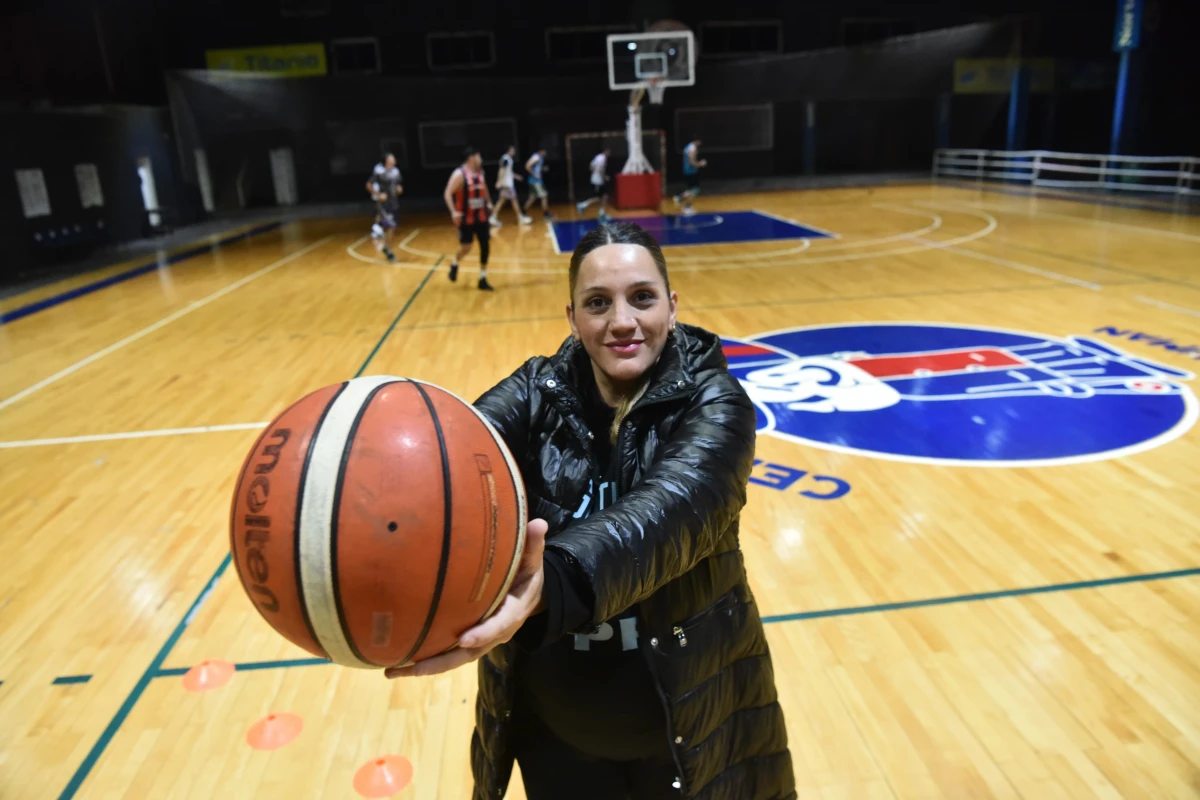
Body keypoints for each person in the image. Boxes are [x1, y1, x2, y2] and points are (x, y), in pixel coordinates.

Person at [386, 221, 795, 800]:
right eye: (598, 303)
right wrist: (385, 493)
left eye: (642, 298)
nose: (622, 322)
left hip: (685, 733)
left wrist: (547, 583)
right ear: (572, 317)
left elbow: (667, 514)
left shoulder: (716, 403)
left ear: (672, 306)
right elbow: (455, 453)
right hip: (555, 739)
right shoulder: (535, 391)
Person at [444, 146, 496, 291]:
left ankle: (482, 278)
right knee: (466, 246)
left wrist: (489, 202)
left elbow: (484, 187)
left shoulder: (480, 172)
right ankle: (455, 263)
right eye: (479, 156)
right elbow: (447, 193)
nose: (481, 159)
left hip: (481, 216)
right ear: (471, 157)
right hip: (466, 217)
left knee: (485, 245)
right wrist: (453, 212)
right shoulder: (459, 174)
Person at [365, 153, 403, 262]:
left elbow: (398, 186)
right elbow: (368, 184)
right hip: (384, 204)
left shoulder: (396, 172)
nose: (394, 159)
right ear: (387, 161)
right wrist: (378, 195)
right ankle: (389, 252)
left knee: (393, 228)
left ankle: (386, 247)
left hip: (394, 202)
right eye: (392, 158)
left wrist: (399, 189)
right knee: (391, 226)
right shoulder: (379, 172)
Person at [491, 145, 533, 227]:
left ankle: (493, 217)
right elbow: (501, 170)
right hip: (507, 184)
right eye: (512, 150)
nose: (514, 151)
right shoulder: (506, 159)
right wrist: (499, 181)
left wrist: (516, 176)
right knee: (514, 200)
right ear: (508, 151)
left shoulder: (508, 159)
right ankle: (520, 218)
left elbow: (508, 172)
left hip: (507, 183)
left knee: (502, 200)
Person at [672, 138, 706, 216]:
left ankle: (680, 199)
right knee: (696, 189)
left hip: (687, 171)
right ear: (697, 140)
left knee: (693, 189)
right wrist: (701, 164)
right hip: (690, 171)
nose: (700, 143)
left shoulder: (688, 146)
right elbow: (691, 162)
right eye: (700, 141)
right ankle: (686, 206)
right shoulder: (692, 148)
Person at [576, 147, 612, 221]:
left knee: (604, 196)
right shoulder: (603, 158)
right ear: (606, 151)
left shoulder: (597, 157)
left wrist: (593, 173)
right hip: (598, 180)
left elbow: (591, 165)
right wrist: (604, 177)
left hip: (595, 178)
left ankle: (601, 213)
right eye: (609, 152)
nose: (609, 154)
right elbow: (600, 169)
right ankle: (582, 205)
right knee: (599, 197)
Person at [523, 148, 555, 221]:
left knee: (532, 198)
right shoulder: (536, 157)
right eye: (544, 151)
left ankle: (523, 212)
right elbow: (527, 166)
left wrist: (543, 169)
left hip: (536, 181)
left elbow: (536, 168)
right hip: (535, 181)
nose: (545, 153)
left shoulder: (540, 158)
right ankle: (546, 215)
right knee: (544, 195)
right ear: (541, 151)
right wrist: (534, 175)